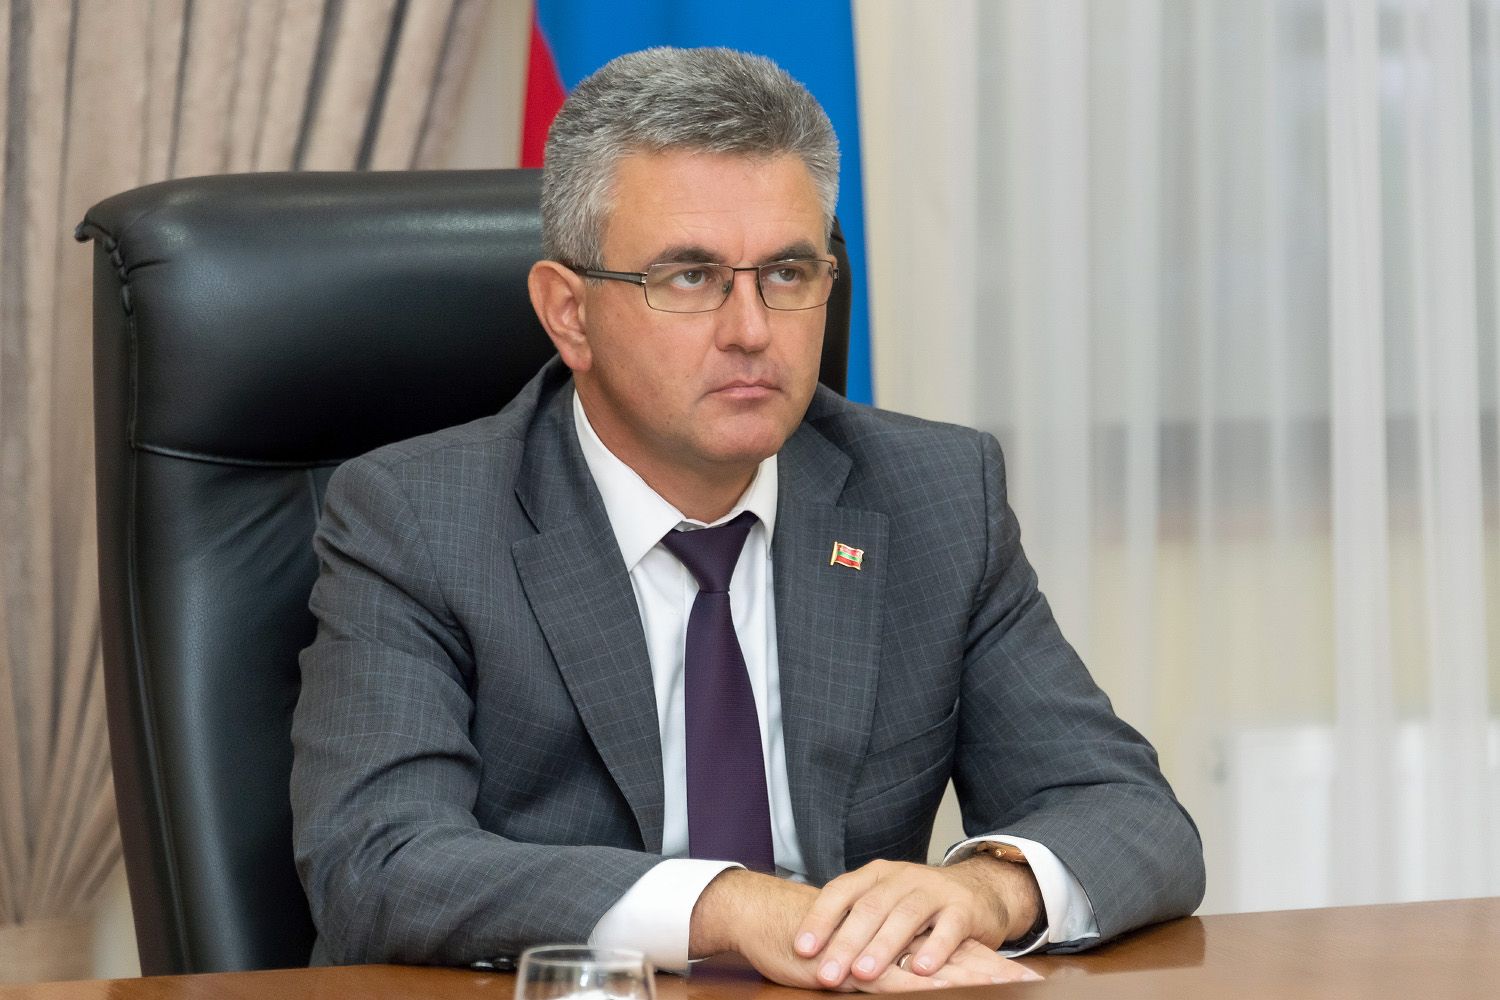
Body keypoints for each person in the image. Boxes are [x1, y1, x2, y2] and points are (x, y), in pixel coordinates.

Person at [291, 46, 1204, 992]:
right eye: (690, 277)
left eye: (788, 272)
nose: (752, 330)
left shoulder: (932, 494)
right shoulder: (418, 518)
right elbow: (378, 860)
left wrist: (985, 890)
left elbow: (1131, 816)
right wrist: (728, 907)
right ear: (569, 314)